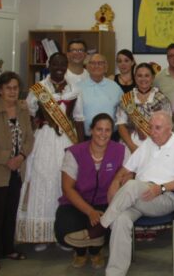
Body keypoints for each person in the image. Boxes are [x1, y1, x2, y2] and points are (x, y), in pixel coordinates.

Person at [64, 111, 174, 276]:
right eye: (150, 127)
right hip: (139, 198)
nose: (152, 132)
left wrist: (161, 187)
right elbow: (126, 169)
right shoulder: (148, 144)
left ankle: (98, 229)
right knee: (120, 219)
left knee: (132, 185)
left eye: (157, 128)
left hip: (165, 197)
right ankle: (115, 273)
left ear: (170, 129)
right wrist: (115, 182)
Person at [18, 52, 84, 249]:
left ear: (67, 66)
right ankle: (41, 235)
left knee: (62, 181)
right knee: (41, 180)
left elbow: (79, 120)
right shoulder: (38, 89)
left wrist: (81, 148)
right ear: (49, 64)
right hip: (44, 139)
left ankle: (62, 234)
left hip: (66, 140)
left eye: (63, 64)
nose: (59, 67)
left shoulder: (74, 88)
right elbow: (29, 116)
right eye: (55, 63)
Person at [55, 114, 127, 269]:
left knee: (112, 223)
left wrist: (117, 180)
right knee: (65, 229)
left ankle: (96, 252)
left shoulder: (121, 150)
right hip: (76, 202)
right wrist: (90, 211)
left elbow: (129, 172)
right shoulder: (74, 152)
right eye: (99, 129)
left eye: (107, 130)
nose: (103, 134)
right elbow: (67, 188)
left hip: (105, 202)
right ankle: (80, 252)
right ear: (91, 130)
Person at [0, 72, 34, 272]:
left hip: (17, 169)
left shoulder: (22, 109)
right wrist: (7, 159)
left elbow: (29, 138)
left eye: (15, 87)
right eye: (8, 88)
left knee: (10, 212)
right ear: (0, 90)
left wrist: (20, 157)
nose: (12, 91)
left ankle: (7, 248)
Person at [116, 63, 172, 153]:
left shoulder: (162, 99)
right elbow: (121, 125)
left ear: (153, 78)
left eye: (147, 75)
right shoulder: (126, 98)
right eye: (139, 76)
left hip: (155, 146)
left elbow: (167, 127)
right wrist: (132, 146)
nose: (143, 79)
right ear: (135, 77)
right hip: (130, 146)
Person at [78, 53, 123, 138]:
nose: (96, 66)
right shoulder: (78, 88)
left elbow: (123, 112)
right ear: (87, 67)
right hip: (86, 137)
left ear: (106, 68)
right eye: (93, 63)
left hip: (111, 137)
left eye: (100, 63)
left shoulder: (115, 87)